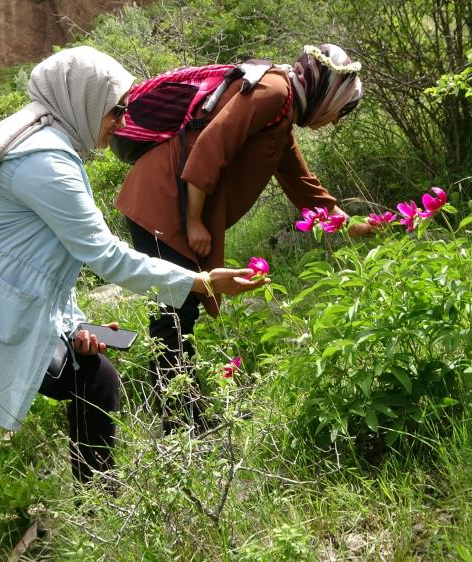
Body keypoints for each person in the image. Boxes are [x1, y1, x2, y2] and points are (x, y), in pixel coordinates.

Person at [0, 46, 267, 562]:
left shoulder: (41, 142)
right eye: (115, 109)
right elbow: (102, 254)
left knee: (94, 373)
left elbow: (37, 260)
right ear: (80, 101)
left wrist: (76, 325)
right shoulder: (42, 158)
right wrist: (201, 282)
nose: (121, 122)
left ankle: (99, 514)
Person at [114, 43, 371, 432]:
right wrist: (194, 219)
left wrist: (352, 226)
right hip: (161, 203)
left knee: (181, 311)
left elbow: (303, 186)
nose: (335, 120)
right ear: (327, 91)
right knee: (174, 312)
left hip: (169, 202)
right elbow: (212, 143)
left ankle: (188, 417)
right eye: (342, 108)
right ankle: (180, 426)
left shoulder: (282, 112)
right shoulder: (275, 92)